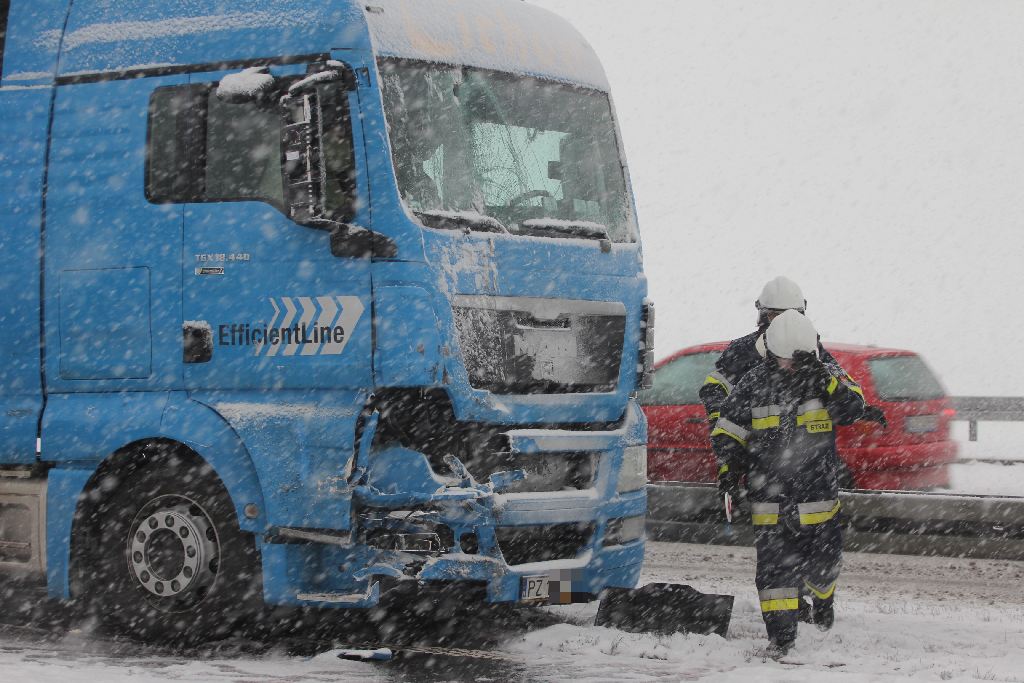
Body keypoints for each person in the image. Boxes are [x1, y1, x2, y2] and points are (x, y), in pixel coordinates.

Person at [711, 310, 866, 658]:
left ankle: (823, 598)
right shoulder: (753, 382)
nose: (789, 367)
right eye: (784, 360)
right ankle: (781, 639)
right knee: (774, 575)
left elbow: (854, 409)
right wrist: (729, 469)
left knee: (824, 567)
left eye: (795, 361)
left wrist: (825, 383)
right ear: (771, 353)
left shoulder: (826, 378)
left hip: (819, 498)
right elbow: (726, 430)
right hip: (769, 500)